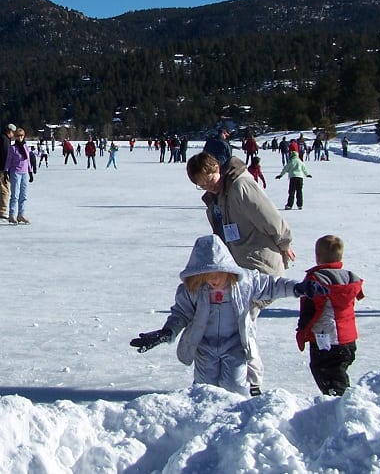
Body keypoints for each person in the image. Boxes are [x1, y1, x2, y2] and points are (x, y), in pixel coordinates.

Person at [130, 235, 326, 396]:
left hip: (235, 345)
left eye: (218, 273)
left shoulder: (246, 282)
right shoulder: (193, 290)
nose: (213, 280)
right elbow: (181, 313)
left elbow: (273, 285)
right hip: (204, 346)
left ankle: (235, 423)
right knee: (206, 390)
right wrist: (167, 332)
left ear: (228, 270)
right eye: (207, 275)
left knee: (234, 385)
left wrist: (298, 288)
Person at [188, 151, 296, 395]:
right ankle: (233, 382)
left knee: (242, 327)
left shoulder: (240, 187)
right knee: (240, 326)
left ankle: (251, 383)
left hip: (257, 265)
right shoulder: (219, 197)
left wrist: (285, 243)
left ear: (218, 167)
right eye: (200, 184)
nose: (207, 186)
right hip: (238, 268)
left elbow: (269, 216)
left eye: (209, 178)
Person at [296, 235, 364, 396]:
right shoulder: (349, 277)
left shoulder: (316, 279)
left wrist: (302, 331)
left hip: (325, 339)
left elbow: (309, 307)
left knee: (325, 373)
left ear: (317, 256)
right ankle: (343, 400)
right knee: (338, 372)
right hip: (348, 339)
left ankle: (342, 404)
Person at [5, 127, 33, 224]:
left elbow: (28, 160)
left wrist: (30, 172)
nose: (20, 137)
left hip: (24, 173)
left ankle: (21, 215)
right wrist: (6, 171)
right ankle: (12, 215)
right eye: (18, 136)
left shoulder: (25, 147)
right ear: (15, 137)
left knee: (23, 195)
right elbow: (8, 161)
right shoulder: (13, 148)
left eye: (22, 136)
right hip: (15, 172)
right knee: (15, 195)